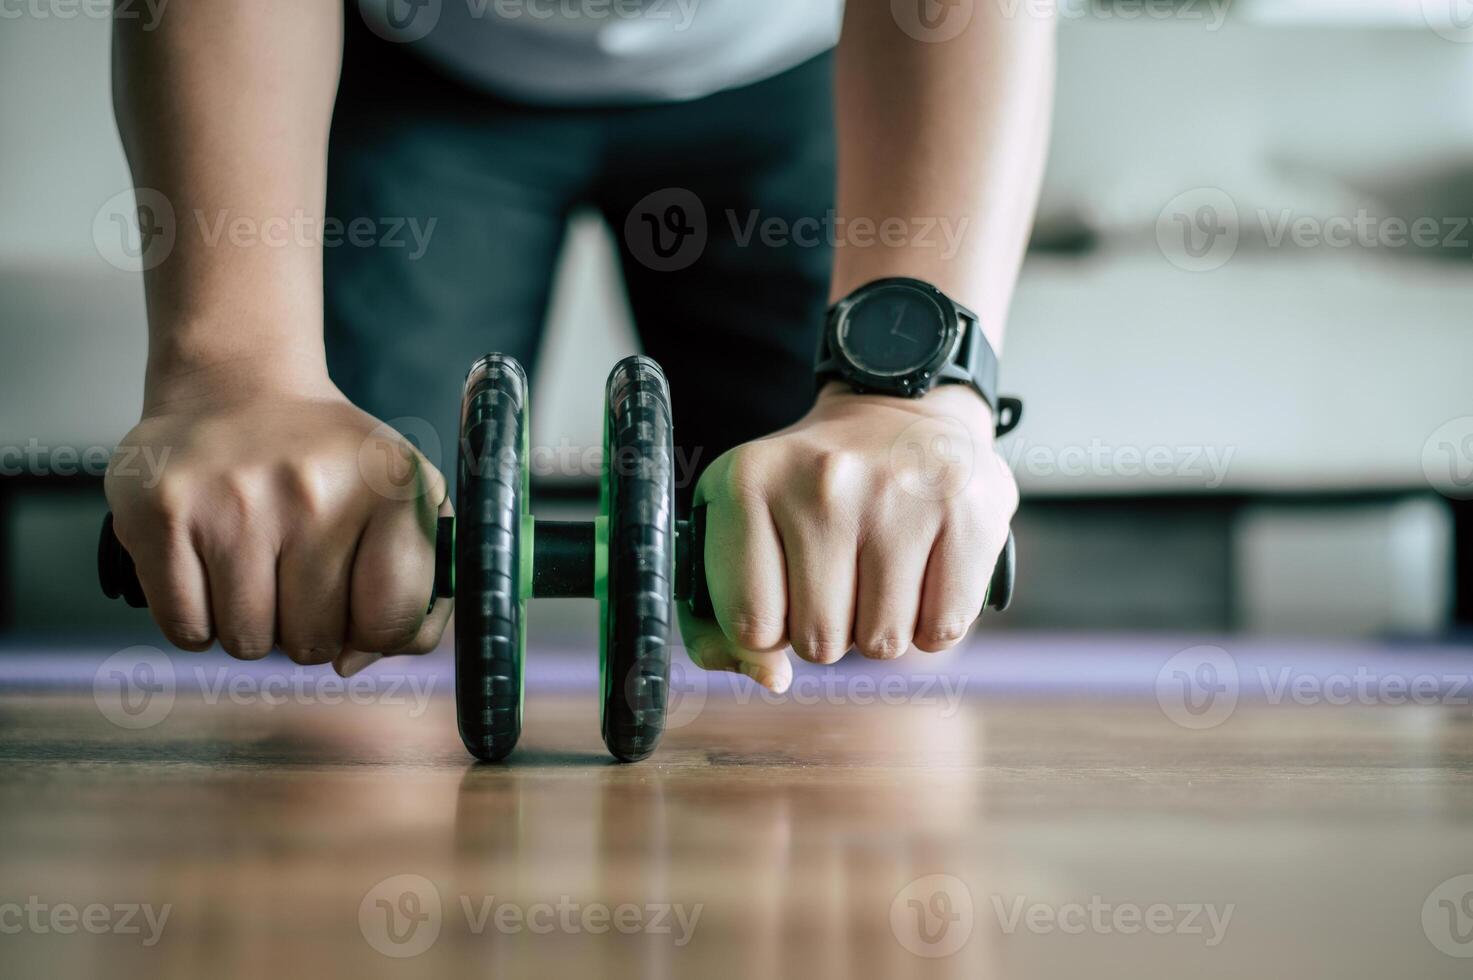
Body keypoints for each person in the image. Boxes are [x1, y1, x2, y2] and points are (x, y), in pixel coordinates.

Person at [104, 0, 1055, 691]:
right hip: (422, 63)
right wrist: (234, 375)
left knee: (870, 585)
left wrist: (912, 398)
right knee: (321, 575)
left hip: (798, 61)